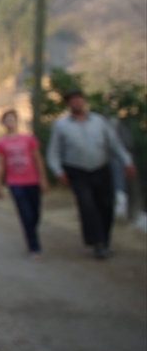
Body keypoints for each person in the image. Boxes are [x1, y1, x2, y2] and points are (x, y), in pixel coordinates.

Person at [46, 89, 138, 259]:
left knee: (106, 204)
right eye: (73, 100)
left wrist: (127, 162)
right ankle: (97, 243)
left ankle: (105, 239)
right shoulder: (61, 126)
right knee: (87, 206)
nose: (77, 103)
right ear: (68, 104)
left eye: (80, 99)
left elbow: (115, 144)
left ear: (84, 101)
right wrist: (58, 172)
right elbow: (54, 153)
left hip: (101, 168)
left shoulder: (99, 121)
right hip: (78, 170)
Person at [0, 109, 49, 257]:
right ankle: (34, 247)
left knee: (35, 214)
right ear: (3, 123)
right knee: (26, 215)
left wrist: (43, 179)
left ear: (17, 121)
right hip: (15, 183)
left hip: (33, 181)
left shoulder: (29, 139)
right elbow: (0, 165)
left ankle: (32, 233)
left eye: (12, 119)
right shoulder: (1, 143)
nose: (10, 122)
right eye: (7, 119)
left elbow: (38, 159)